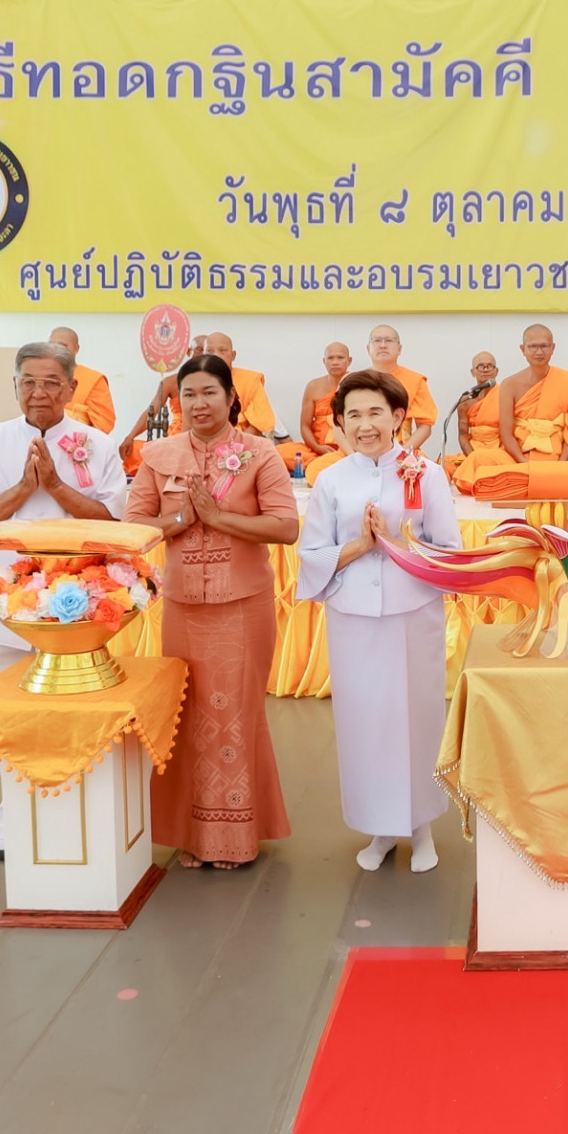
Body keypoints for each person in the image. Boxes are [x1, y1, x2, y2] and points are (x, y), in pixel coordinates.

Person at [0, 342, 125, 857]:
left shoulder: (98, 444)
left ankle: (78, 821)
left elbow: (115, 522)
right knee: (12, 719)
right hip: (8, 610)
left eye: (51, 382)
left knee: (74, 717)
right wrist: (23, 489)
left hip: (80, 611)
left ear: (72, 388)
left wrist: (54, 484)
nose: (39, 392)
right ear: (15, 387)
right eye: (28, 381)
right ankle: (13, 829)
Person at [127, 354, 300, 867]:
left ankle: (234, 840)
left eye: (209, 393)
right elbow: (135, 527)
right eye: (189, 395)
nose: (198, 404)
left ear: (230, 397)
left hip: (242, 606)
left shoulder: (259, 453)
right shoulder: (157, 454)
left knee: (235, 716)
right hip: (183, 605)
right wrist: (183, 517)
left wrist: (220, 518)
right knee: (188, 716)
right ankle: (194, 837)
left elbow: (286, 528)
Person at [296, 371, 459, 872]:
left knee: (416, 718)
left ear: (397, 417)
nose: (365, 425)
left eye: (375, 413)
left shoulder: (426, 474)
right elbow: (313, 553)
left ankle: (423, 826)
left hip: (412, 616)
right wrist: (362, 547)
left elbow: (450, 554)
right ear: (340, 424)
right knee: (366, 723)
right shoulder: (331, 479)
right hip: (353, 619)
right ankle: (382, 829)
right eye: (354, 415)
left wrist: (397, 543)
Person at [496, 323, 568, 463]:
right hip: (518, 457)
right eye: (532, 346)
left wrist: (560, 465)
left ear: (552, 348)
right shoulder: (509, 385)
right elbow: (506, 434)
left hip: (559, 458)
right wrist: (522, 462)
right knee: (479, 459)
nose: (539, 352)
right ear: (523, 349)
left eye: (544, 346)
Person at [364, 324, 437, 450]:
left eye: (389, 340)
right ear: (368, 348)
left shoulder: (414, 380)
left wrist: (402, 454)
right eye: (377, 340)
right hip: (361, 448)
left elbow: (425, 426)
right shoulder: (353, 381)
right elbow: (339, 425)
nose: (382, 345)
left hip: (402, 448)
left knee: (425, 469)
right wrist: (354, 455)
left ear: (399, 348)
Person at [440, 351, 501, 491]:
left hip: (497, 451)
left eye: (490, 366)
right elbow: (463, 435)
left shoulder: (505, 395)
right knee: (442, 465)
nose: (485, 369)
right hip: (473, 450)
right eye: (480, 366)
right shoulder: (466, 400)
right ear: (473, 372)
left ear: (496, 371)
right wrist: (473, 457)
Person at [206, 332, 279, 435]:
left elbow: (260, 421)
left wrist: (236, 445)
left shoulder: (249, 380)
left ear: (233, 355)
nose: (216, 355)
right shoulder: (195, 380)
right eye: (210, 351)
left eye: (222, 351)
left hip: (242, 440)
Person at [48, 325, 116, 434]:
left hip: (76, 445)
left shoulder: (93, 379)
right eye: (51, 346)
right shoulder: (37, 376)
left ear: (76, 348)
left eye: (62, 346)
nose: (56, 351)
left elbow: (104, 423)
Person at [300, 341, 353, 453]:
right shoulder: (313, 386)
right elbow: (305, 425)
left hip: (348, 448)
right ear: (324, 361)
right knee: (281, 453)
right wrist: (317, 447)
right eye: (330, 358)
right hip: (317, 447)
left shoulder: (358, 384)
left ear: (349, 361)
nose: (335, 362)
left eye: (340, 358)